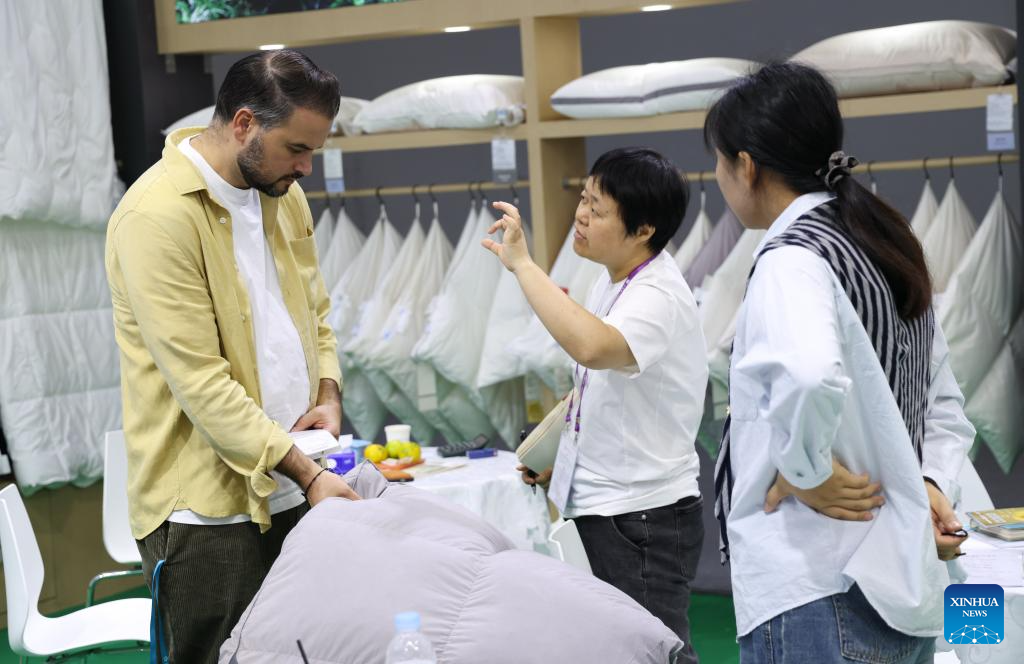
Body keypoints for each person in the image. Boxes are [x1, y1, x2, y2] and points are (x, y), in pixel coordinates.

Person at [706, 62, 975, 663]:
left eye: (719, 161)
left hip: (817, 583)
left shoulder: (791, 258)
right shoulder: (880, 241)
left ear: (746, 166)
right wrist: (932, 479)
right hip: (895, 575)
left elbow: (808, 375)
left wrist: (804, 471)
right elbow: (941, 397)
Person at [106, 49, 359, 663]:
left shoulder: (283, 195)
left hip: (294, 484)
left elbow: (315, 313)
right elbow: (202, 384)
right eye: (296, 149)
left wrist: (327, 395)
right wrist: (308, 472)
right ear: (244, 124)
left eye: (313, 152)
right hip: (206, 516)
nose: (305, 167)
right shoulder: (155, 217)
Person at [484, 147, 709, 662]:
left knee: (651, 653)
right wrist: (560, 458)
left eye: (597, 208)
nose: (581, 215)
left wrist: (523, 266)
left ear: (644, 229)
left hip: (642, 516)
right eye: (584, 199)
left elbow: (592, 348)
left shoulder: (658, 294)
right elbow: (597, 395)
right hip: (610, 507)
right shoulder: (613, 279)